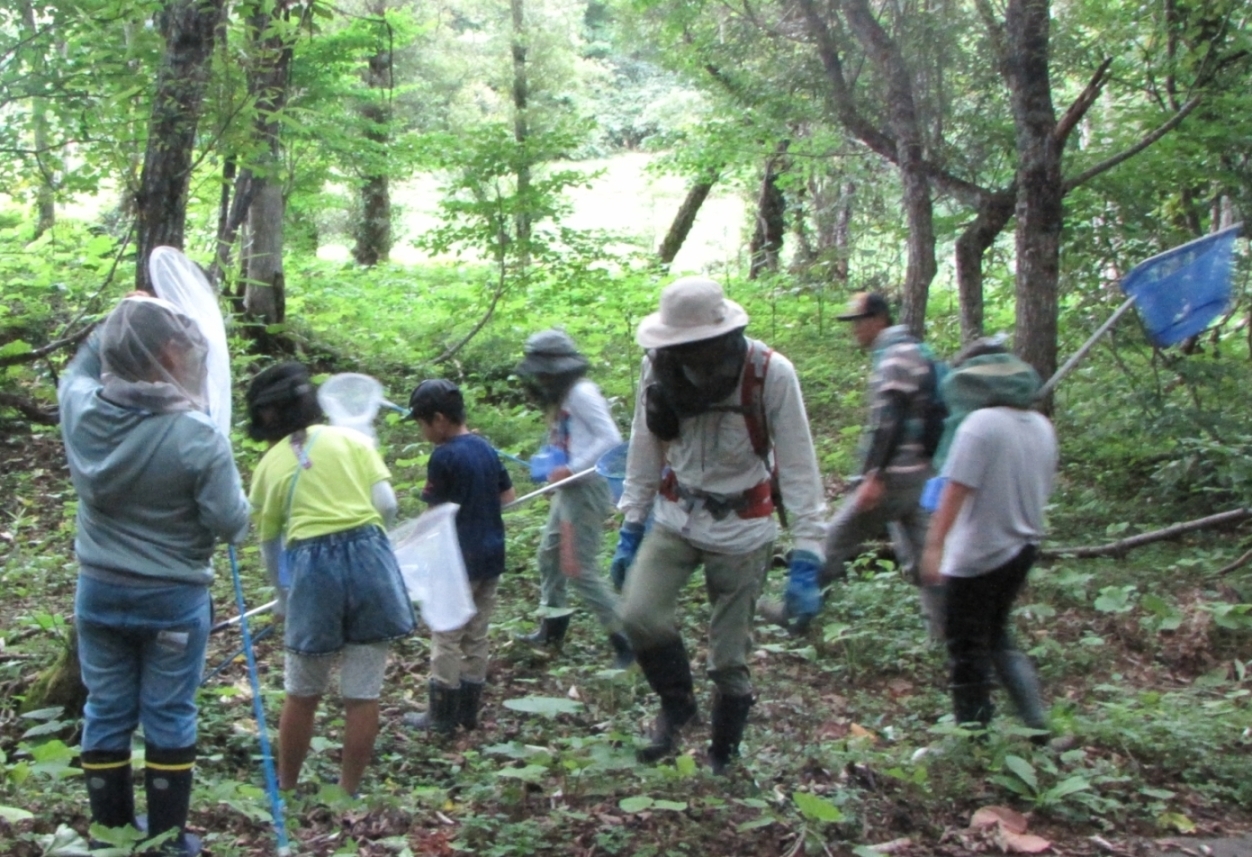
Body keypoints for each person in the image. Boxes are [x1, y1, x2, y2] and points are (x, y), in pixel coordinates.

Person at [612, 277, 827, 773]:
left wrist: (807, 553)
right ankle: (676, 706)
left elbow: (798, 465)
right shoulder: (658, 367)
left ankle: (723, 755)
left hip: (743, 528)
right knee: (638, 615)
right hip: (675, 516)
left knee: (729, 660)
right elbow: (645, 446)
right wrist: (632, 523)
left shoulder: (771, 374)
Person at [61, 296, 250, 855]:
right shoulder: (197, 435)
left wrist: (119, 319)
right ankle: (168, 841)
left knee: (106, 708)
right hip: (173, 600)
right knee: (168, 713)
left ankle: (111, 836)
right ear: (168, 353)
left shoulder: (78, 407)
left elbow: (80, 365)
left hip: (98, 594)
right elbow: (232, 524)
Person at [246, 362, 416, 796]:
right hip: (370, 561)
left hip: (311, 570)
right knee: (363, 691)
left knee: (302, 690)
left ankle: (286, 788)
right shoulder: (352, 440)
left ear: (265, 416)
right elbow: (388, 505)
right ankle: (349, 791)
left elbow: (270, 545)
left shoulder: (268, 466)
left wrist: (283, 597)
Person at [767, 291, 939, 634]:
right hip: (918, 474)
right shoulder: (912, 350)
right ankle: (950, 630)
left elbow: (889, 420)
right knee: (927, 558)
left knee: (834, 541)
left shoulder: (894, 357)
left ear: (877, 320)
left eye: (858, 322)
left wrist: (875, 475)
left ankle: (795, 613)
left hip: (892, 478)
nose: (855, 330)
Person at [919, 342, 1056, 740]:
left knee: (966, 648)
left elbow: (955, 492)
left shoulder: (980, 426)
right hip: (1023, 548)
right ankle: (1037, 727)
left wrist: (934, 547)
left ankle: (973, 736)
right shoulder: (1041, 425)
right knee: (997, 636)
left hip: (979, 552)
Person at [403, 379, 516, 735]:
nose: (422, 431)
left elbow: (433, 515)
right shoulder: (485, 448)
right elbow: (508, 496)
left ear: (438, 419)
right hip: (491, 555)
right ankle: (468, 711)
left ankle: (441, 714)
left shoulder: (444, 456)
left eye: (421, 423)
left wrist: (408, 545)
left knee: (447, 633)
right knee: (476, 634)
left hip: (457, 562)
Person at [514, 329, 632, 668]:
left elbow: (611, 438)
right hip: (569, 487)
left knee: (578, 567)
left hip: (586, 487)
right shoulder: (560, 396)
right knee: (549, 556)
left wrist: (573, 469)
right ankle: (552, 627)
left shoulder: (581, 392)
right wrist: (550, 466)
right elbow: (565, 439)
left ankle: (627, 642)